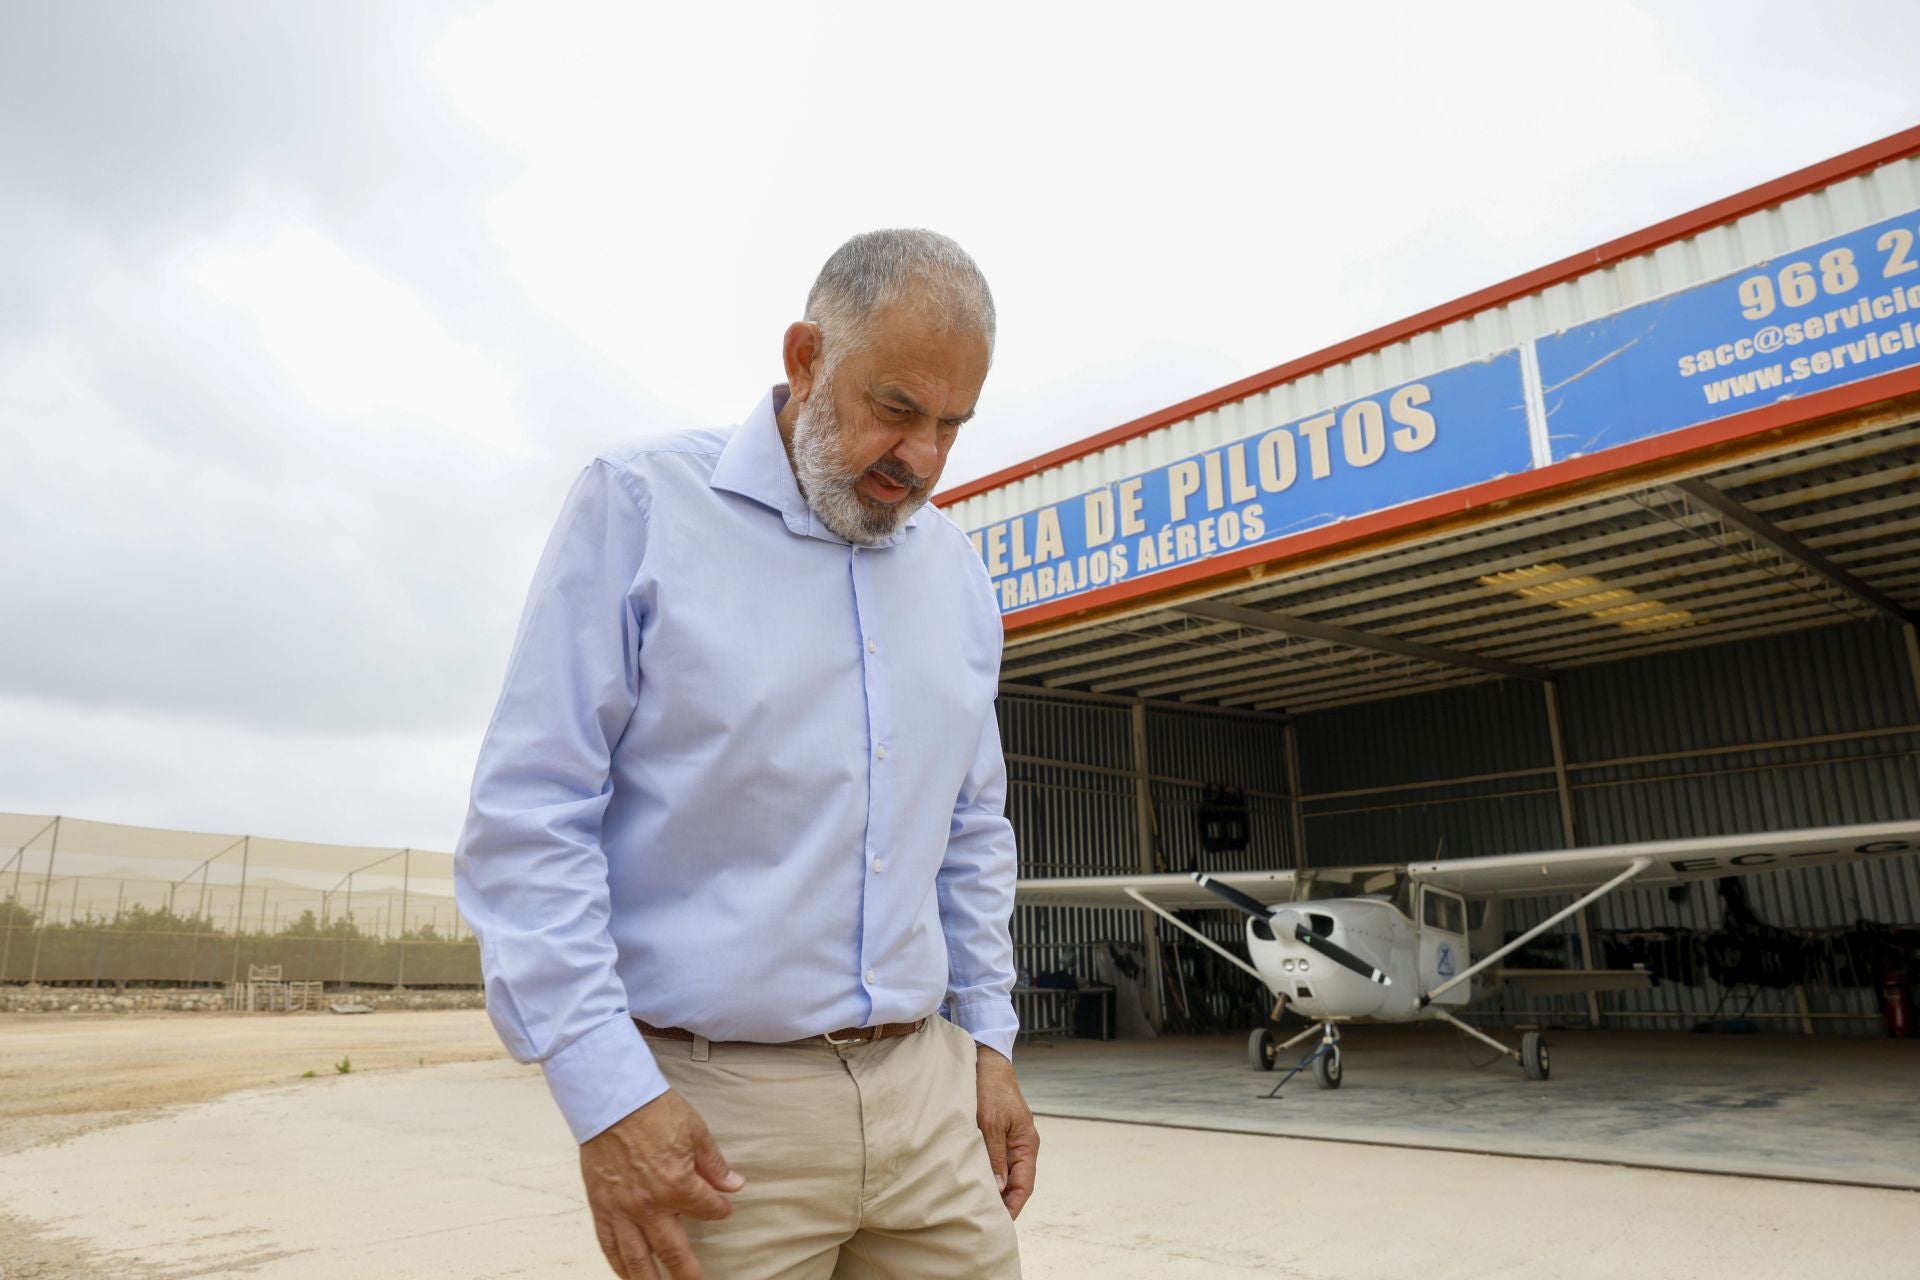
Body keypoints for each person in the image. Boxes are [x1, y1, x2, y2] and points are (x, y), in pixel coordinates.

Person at [455, 229, 1035, 1280]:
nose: (924, 460)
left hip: (929, 1099)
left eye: (953, 425)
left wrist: (990, 1039)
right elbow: (531, 819)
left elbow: (970, 826)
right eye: (896, 408)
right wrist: (609, 1096)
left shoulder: (955, 572)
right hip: (715, 1123)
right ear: (806, 357)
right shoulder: (638, 507)